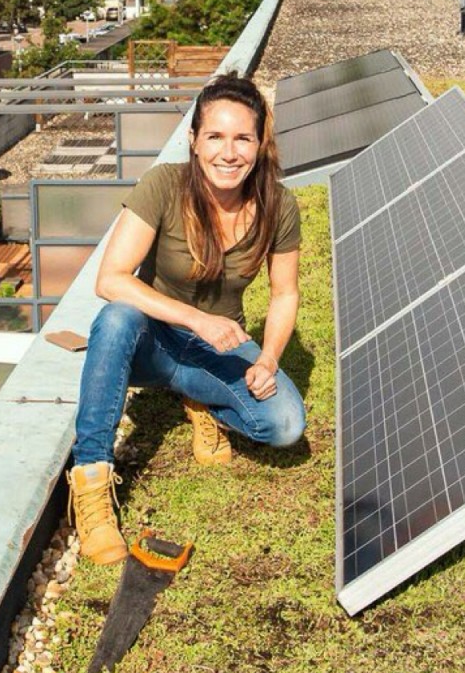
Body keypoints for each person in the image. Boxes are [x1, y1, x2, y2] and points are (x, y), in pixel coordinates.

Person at [67, 73, 306, 565]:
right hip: (149, 343)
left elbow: (285, 295)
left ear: (260, 144)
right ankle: (91, 482)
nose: (229, 152)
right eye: (215, 137)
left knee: (284, 426)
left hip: (216, 351)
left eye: (242, 138)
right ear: (194, 142)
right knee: (116, 319)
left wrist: (268, 358)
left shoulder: (279, 205)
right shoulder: (163, 185)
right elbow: (110, 279)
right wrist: (197, 319)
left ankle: (201, 401)